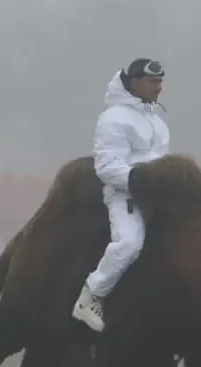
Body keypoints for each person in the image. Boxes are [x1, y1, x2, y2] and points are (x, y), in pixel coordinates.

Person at [72, 58, 169, 332]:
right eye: (153, 81)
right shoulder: (113, 118)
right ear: (135, 82)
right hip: (125, 196)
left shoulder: (157, 120)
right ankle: (92, 295)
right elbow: (107, 166)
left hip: (158, 197)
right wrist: (139, 181)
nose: (158, 87)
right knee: (129, 243)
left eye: (161, 81)